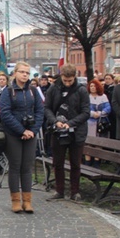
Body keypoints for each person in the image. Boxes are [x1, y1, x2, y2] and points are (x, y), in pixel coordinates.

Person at [0, 62, 44, 213]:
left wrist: (33, 130)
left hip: (30, 133)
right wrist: (21, 130)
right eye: (22, 72)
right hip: (13, 134)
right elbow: (5, 114)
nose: (25, 75)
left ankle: (27, 201)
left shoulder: (33, 91)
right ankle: (15, 201)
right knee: (15, 166)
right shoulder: (8, 91)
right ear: (15, 73)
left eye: (27, 72)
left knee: (27, 167)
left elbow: (40, 111)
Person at [44, 64, 90, 202]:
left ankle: (75, 191)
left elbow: (86, 112)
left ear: (74, 77)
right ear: (61, 76)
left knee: (75, 163)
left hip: (77, 132)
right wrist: (54, 122)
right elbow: (47, 108)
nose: (68, 83)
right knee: (58, 162)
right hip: (58, 131)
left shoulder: (81, 90)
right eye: (65, 80)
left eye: (70, 81)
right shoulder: (53, 88)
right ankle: (59, 190)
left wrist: (70, 123)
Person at [86, 78, 111, 167]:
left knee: (98, 143)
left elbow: (108, 108)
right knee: (88, 142)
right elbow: (84, 108)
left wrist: (100, 113)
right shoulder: (87, 96)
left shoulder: (103, 96)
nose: (92, 88)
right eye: (91, 86)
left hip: (101, 123)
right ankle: (88, 162)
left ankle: (97, 162)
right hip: (89, 122)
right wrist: (92, 114)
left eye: (94, 86)